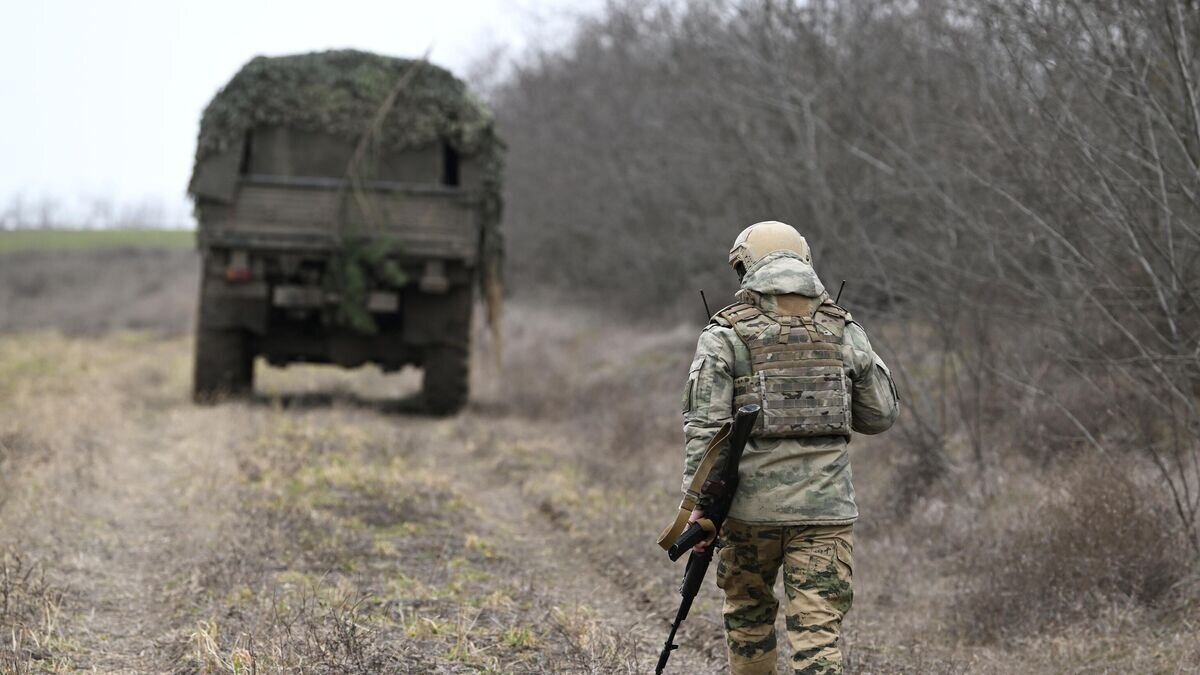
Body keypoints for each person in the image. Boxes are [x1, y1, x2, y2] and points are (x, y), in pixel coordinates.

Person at [680, 221, 899, 675]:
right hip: (825, 512)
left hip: (748, 513)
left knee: (748, 619)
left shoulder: (725, 333)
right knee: (818, 638)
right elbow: (880, 416)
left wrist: (699, 511)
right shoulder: (842, 327)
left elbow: (705, 430)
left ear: (745, 266)